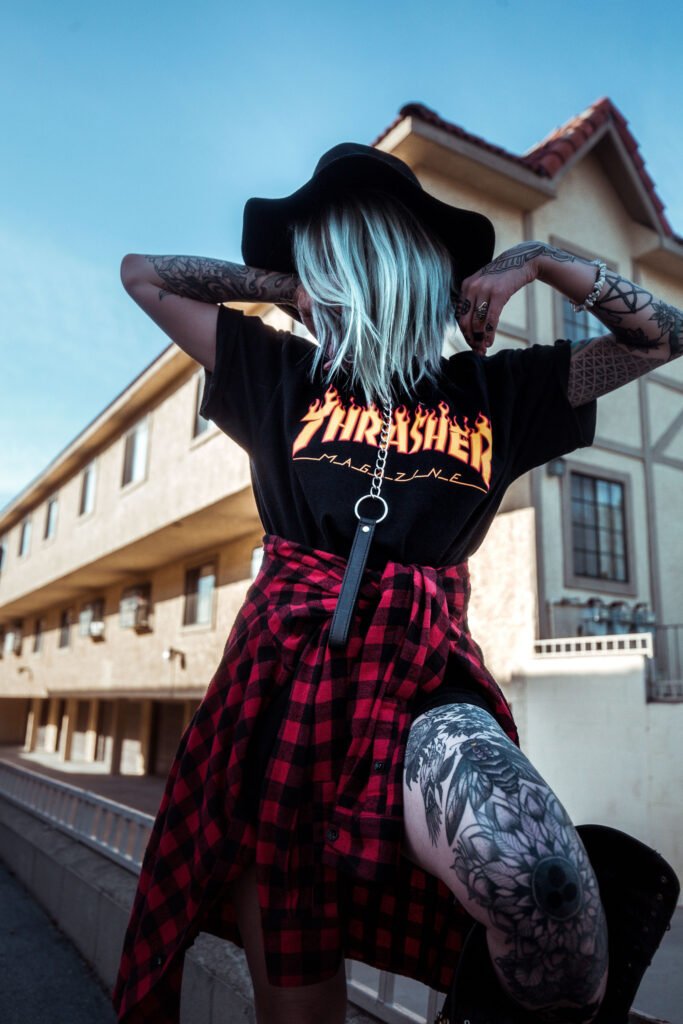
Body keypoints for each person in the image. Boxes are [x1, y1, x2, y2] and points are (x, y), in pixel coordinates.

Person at [111, 143, 681, 1024]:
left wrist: (536, 261)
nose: (349, 274)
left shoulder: (499, 391)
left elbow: (663, 335)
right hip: (282, 699)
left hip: (422, 684)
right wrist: (286, 289)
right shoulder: (278, 372)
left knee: (545, 885)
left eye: (357, 252)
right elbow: (142, 275)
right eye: (330, 256)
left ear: (420, 267)